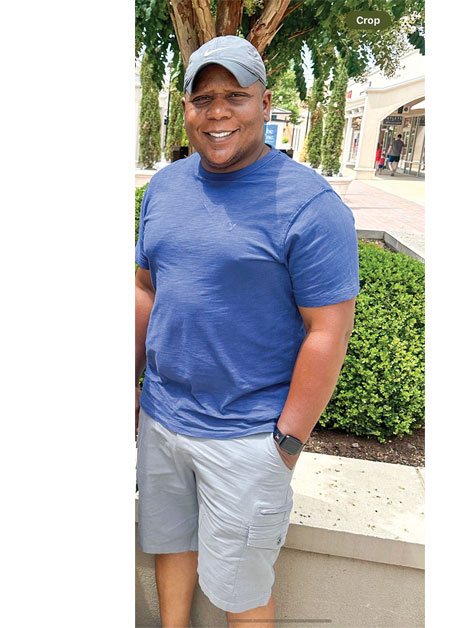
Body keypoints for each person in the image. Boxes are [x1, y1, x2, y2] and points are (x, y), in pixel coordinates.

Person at [134, 35, 359, 628]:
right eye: (203, 98)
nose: (218, 112)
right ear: (186, 107)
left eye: (235, 96)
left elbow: (328, 330)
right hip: (162, 419)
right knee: (170, 546)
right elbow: (146, 289)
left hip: (247, 435)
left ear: (265, 101)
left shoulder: (311, 205)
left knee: (242, 591)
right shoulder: (164, 187)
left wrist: (286, 442)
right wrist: (131, 385)